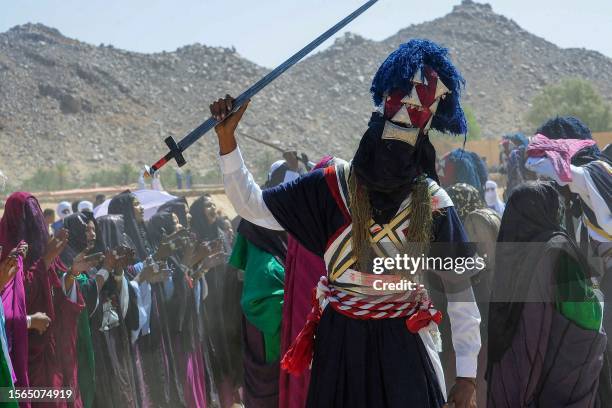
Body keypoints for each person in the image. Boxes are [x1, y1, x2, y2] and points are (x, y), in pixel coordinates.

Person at [211, 39, 481, 407]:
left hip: (407, 350)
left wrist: (466, 376)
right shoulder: (330, 187)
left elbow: (461, 291)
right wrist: (228, 142)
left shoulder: (434, 203)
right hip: (341, 351)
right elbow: (253, 206)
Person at [487, 181, 605, 407]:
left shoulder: (507, 254)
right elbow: (587, 316)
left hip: (511, 375)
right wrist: (597, 295)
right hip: (552, 379)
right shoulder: (557, 251)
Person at [0, 192, 84, 407]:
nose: (37, 222)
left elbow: (61, 294)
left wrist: (72, 272)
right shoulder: (7, 257)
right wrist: (44, 262)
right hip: (21, 359)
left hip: (51, 353)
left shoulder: (45, 251)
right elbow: (10, 300)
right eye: (30, 216)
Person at [190, 195, 244, 407]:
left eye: (213, 204)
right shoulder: (196, 238)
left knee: (232, 346)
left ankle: (236, 397)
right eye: (207, 205)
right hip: (208, 305)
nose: (212, 208)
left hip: (228, 301)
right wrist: (206, 264)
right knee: (217, 350)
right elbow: (191, 271)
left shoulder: (221, 233)